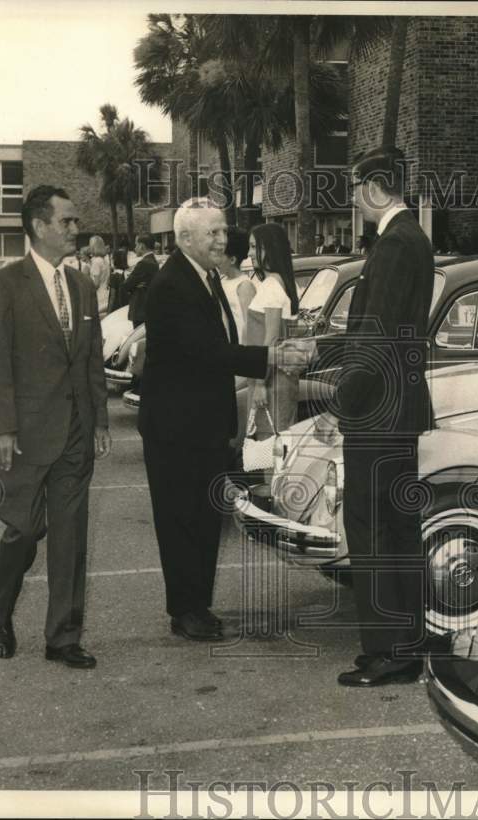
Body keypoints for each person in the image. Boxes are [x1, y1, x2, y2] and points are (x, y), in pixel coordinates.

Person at [137, 198, 310, 643]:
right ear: (185, 238)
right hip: (176, 428)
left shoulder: (205, 277)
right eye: (212, 232)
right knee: (180, 520)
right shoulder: (172, 284)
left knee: (204, 516)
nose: (222, 239)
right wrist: (273, 356)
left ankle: (199, 605)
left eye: (222, 230)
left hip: (203, 422)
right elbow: (206, 351)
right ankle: (185, 610)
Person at [0, 185, 111, 669]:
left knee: (71, 536)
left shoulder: (82, 286)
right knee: (25, 531)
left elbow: (91, 360)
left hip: (75, 432)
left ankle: (63, 637)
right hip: (25, 436)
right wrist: (1, 430)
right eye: (67, 222)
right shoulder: (4, 284)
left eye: (75, 222)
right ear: (38, 226)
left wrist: (98, 419)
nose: (76, 229)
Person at [313, 146, 435, 687]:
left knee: (375, 529)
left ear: (373, 186)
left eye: (355, 184)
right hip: (396, 409)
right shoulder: (408, 240)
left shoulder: (393, 246)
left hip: (379, 412)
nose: (352, 196)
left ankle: (392, 652)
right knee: (395, 528)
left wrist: (341, 403)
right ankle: (400, 645)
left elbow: (376, 338)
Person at [246, 222, 302, 443]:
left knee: (270, 443)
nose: (249, 253)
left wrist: (260, 384)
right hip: (282, 378)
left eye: (253, 247)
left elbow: (270, 338)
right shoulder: (286, 283)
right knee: (281, 440)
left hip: (269, 380)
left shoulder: (270, 287)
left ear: (269, 248)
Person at [218, 226, 256, 342]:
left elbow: (249, 325)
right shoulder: (221, 281)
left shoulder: (244, 285)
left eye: (220, 255)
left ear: (232, 260)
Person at [119, 234, 159, 329]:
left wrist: (132, 284)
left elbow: (126, 285)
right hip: (147, 308)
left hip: (140, 309)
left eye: (136, 245)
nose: (135, 248)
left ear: (142, 246)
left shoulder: (144, 263)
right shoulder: (153, 261)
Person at [87, 235, 111, 315]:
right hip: (106, 293)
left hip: (98, 295)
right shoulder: (105, 261)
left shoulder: (96, 262)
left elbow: (96, 284)